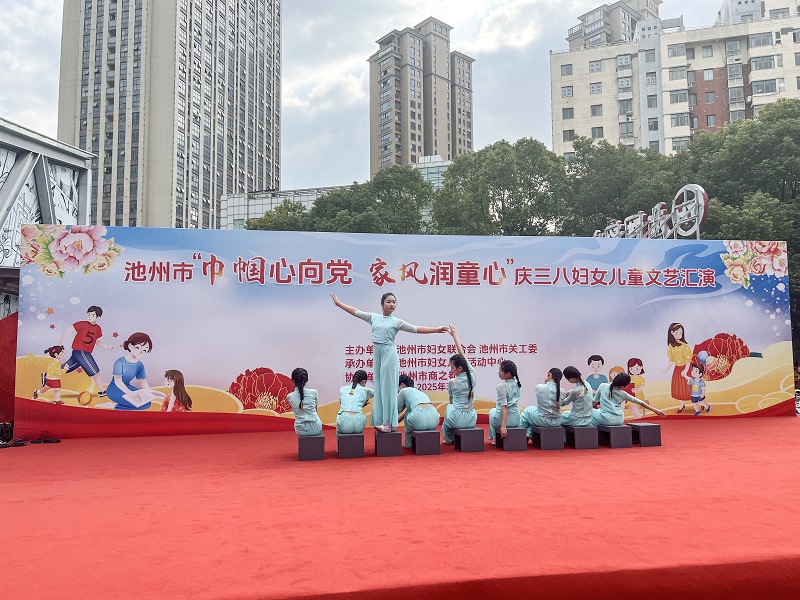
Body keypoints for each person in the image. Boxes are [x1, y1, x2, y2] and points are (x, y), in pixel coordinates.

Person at [331, 292, 448, 433]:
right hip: (377, 353)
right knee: (380, 389)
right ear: (382, 304)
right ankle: (383, 421)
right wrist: (339, 304)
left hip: (389, 354)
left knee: (388, 390)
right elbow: (356, 312)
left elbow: (415, 329)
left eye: (394, 302)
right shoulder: (373, 317)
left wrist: (436, 330)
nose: (392, 304)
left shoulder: (396, 322)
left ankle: (388, 424)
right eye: (389, 301)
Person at [59, 305, 115, 397]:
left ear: (98, 317)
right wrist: (60, 343)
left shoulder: (98, 328)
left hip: (82, 352)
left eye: (92, 315)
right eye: (88, 314)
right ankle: (101, 390)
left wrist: (108, 347)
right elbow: (68, 330)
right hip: (81, 351)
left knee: (67, 367)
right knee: (95, 371)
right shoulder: (82, 324)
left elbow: (98, 342)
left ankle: (47, 376)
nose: (89, 317)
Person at [101, 332, 158, 410]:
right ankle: (118, 409)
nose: (140, 352)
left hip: (127, 386)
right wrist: (130, 393)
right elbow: (118, 381)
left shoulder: (139, 365)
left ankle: (120, 408)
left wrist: (149, 393)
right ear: (130, 346)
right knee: (140, 404)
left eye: (144, 350)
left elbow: (143, 382)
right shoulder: (120, 362)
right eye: (137, 347)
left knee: (147, 403)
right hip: (114, 389)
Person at [442, 324, 477, 445]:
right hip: (472, 418)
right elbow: (462, 354)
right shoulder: (473, 375)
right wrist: (455, 335)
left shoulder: (452, 382)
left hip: (457, 419)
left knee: (449, 408)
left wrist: (454, 335)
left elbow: (451, 401)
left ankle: (448, 439)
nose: (451, 370)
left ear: (460, 368)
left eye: (452, 367)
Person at [592, 373, 666, 426]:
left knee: (590, 413)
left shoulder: (602, 386)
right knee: (598, 412)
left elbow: (594, 401)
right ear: (623, 386)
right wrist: (655, 410)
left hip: (606, 419)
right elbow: (640, 402)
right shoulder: (623, 394)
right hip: (619, 420)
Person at [520, 368, 566, 439]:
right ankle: (529, 433)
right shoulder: (562, 391)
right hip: (557, 421)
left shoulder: (539, 387)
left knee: (527, 411)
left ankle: (521, 436)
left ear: (549, 374)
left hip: (541, 420)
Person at [397, 374, 440, 448]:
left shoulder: (403, 391)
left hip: (418, 420)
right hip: (435, 420)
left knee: (407, 413)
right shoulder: (420, 392)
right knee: (409, 411)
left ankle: (409, 444)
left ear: (402, 384)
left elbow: (397, 410)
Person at [488, 360, 522, 446]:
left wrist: (503, 426)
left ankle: (496, 438)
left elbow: (504, 407)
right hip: (516, 419)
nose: (498, 373)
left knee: (492, 412)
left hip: (504, 420)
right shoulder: (519, 385)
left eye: (500, 371)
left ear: (507, 374)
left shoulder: (501, 386)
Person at [287, 367, 323, 437]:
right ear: (306, 380)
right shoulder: (314, 392)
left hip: (300, 429)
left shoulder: (289, 396)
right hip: (316, 428)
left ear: (292, 381)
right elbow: (315, 411)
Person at [667, 322, 693, 413]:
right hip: (677, 369)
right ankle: (682, 404)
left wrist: (685, 370)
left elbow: (688, 360)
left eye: (681, 333)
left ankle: (699, 402)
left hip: (686, 368)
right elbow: (672, 360)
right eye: (676, 332)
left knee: (690, 387)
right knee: (679, 388)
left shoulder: (684, 346)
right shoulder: (671, 346)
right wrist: (666, 369)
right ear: (671, 333)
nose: (679, 334)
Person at [336, 370, 373, 434]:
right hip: (359, 424)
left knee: (340, 419)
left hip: (344, 424)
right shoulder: (365, 390)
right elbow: (380, 395)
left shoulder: (342, 389)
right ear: (364, 381)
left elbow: (342, 405)